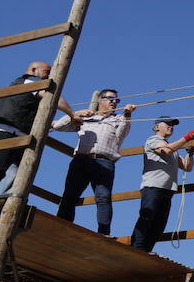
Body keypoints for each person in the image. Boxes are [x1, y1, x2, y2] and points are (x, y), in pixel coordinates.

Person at [0, 61, 74, 198]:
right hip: (4, 130)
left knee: (17, 174)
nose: (49, 75)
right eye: (47, 71)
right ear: (33, 69)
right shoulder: (28, 82)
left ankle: (2, 204)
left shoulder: (31, 87)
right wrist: (72, 114)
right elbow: (53, 98)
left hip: (17, 134)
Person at [53, 88, 137, 235]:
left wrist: (127, 114)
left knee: (103, 198)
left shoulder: (118, 119)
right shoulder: (86, 118)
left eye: (116, 100)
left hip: (104, 162)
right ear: (100, 100)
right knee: (69, 196)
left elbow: (122, 134)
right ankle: (60, 228)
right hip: (81, 160)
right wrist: (75, 114)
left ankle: (104, 233)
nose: (114, 102)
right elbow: (58, 126)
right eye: (110, 99)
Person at [130, 117, 194, 252]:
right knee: (147, 217)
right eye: (167, 124)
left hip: (167, 189)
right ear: (156, 127)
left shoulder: (172, 148)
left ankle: (146, 249)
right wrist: (186, 138)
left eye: (172, 124)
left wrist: (190, 155)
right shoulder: (153, 140)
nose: (171, 126)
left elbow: (186, 167)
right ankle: (137, 247)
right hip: (153, 186)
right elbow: (166, 150)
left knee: (159, 223)